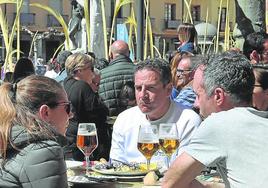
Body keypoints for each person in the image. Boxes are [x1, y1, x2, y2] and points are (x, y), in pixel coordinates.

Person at [162, 51, 268, 188]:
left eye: (198, 95)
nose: (195, 103)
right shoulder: (261, 121)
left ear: (218, 96)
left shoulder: (220, 123)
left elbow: (170, 183)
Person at [110, 58, 201, 169]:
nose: (142, 95)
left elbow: (183, 172)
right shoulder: (124, 119)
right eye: (138, 88)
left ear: (168, 90)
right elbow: (116, 167)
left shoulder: (188, 120)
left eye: (150, 88)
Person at [0, 75, 72, 187]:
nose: (71, 114)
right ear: (45, 112)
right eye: (67, 107)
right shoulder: (45, 150)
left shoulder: (6, 139)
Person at [64, 52, 110, 161]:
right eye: (91, 68)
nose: (93, 74)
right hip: (82, 142)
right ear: (80, 69)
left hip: (69, 139)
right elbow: (98, 112)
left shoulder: (66, 83)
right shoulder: (82, 86)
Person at [98, 40, 135, 116]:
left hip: (110, 123)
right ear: (129, 53)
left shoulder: (101, 75)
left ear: (110, 55)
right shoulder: (140, 72)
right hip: (137, 122)